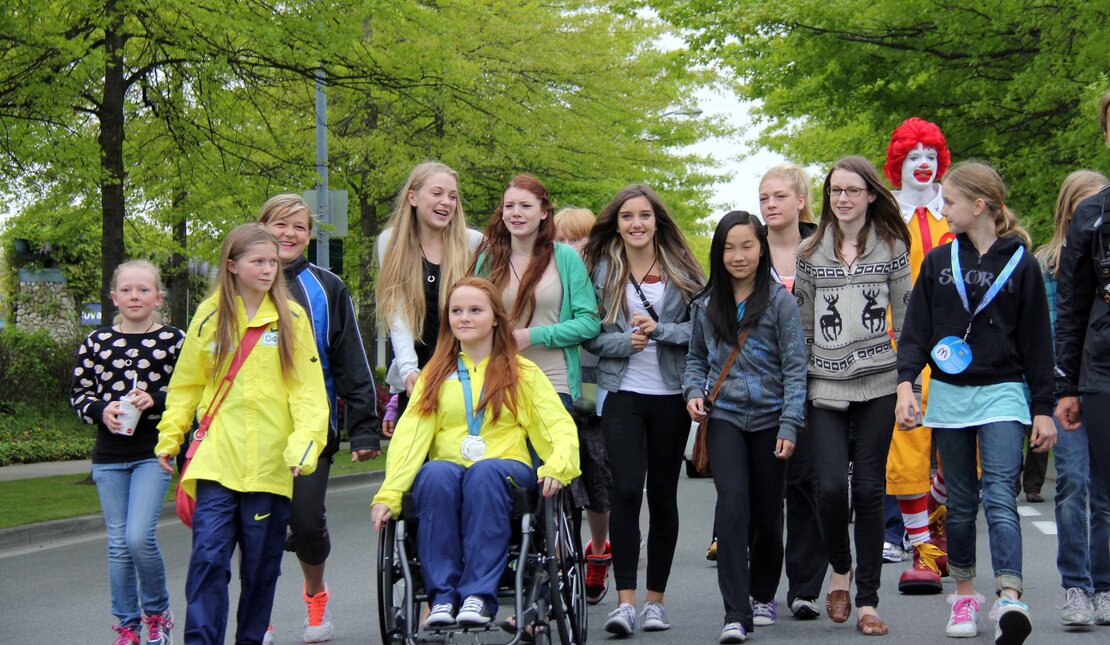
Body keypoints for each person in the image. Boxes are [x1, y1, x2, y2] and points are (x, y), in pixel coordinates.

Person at [896, 161, 1055, 642]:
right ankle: (964, 595)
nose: (942, 209)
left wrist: (1043, 407)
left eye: (949, 202)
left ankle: (1010, 596)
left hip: (1004, 392)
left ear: (979, 205)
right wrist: (906, 385)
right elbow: (916, 329)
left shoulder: (1021, 262)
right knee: (961, 503)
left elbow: (1037, 342)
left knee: (1000, 496)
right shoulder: (941, 262)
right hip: (948, 393)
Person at [370, 277, 581, 627]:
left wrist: (559, 465)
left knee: (484, 473)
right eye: (456, 311)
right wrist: (389, 494)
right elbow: (410, 438)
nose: (463, 318)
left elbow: (554, 425)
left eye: (475, 310)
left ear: (496, 317)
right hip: (449, 472)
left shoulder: (522, 372)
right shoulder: (434, 376)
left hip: (506, 472)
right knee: (433, 473)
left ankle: (477, 597)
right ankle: (441, 599)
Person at [156, 224, 329, 645]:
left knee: (261, 568)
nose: (269, 269)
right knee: (209, 562)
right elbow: (187, 383)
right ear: (232, 266)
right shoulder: (210, 315)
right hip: (217, 461)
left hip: (272, 465)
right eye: (258, 262)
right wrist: (171, 434)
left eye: (273, 262)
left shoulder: (292, 317)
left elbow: (309, 393)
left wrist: (303, 446)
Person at [794, 155, 912, 636]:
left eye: (852, 190)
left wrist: (911, 388)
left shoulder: (892, 247)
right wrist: (794, 393)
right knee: (826, 488)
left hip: (880, 383)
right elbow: (801, 326)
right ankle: (838, 569)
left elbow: (906, 322)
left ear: (869, 195)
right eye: (835, 191)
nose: (842, 199)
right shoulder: (809, 252)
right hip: (822, 385)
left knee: (867, 490)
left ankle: (867, 600)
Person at [256, 194, 382, 643]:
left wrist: (363, 427)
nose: (289, 234)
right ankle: (259, 616)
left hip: (313, 430)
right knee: (259, 525)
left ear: (309, 236)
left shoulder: (327, 287)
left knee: (305, 523)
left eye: (300, 227)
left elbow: (351, 360)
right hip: (251, 432)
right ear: (262, 227)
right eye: (279, 224)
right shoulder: (237, 286)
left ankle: (315, 595)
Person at [582, 183, 705, 636]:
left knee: (663, 496)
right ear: (616, 224)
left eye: (645, 216)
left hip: (671, 395)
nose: (636, 224)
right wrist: (623, 342)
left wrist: (660, 331)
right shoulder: (601, 271)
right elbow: (589, 334)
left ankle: (656, 600)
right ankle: (626, 602)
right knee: (627, 492)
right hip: (622, 393)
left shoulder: (683, 269)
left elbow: (703, 329)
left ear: (658, 221)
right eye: (627, 216)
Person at [684, 211, 807, 643]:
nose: (738, 256)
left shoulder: (779, 301)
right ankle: (735, 613)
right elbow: (696, 359)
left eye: (747, 246)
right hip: (726, 419)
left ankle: (762, 592)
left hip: (773, 420)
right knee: (733, 508)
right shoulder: (705, 303)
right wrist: (693, 392)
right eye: (729, 247)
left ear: (761, 248)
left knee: (769, 516)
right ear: (718, 252)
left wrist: (790, 423)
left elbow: (795, 368)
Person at [71, 260, 184, 645]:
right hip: (109, 457)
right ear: (114, 296)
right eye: (127, 290)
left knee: (138, 537)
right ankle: (127, 626)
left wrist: (153, 398)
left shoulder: (174, 341)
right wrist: (101, 409)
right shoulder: (97, 342)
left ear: (158, 297)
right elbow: (79, 395)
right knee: (118, 545)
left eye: (143, 290)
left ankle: (157, 614)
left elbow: (192, 393)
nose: (135, 296)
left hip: (153, 453)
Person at [882, 117, 955, 594]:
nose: (924, 164)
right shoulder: (885, 219)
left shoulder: (961, 208)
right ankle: (921, 545)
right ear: (898, 164)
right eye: (914, 157)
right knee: (908, 447)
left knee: (958, 450)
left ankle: (939, 521)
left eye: (930, 155)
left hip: (960, 351)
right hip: (901, 346)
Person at [1036, 170, 1110, 627]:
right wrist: (1054, 390)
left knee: (1102, 492)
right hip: (1072, 383)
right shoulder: (1047, 262)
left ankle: (1102, 586)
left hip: (1096, 375)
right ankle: (1076, 587)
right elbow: (1053, 326)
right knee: (1072, 483)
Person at [759, 164, 828, 620]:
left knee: (809, 484)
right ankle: (760, 586)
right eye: (764, 198)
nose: (770, 205)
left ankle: (804, 588)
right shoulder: (746, 246)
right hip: (760, 385)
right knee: (763, 488)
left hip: (818, 381)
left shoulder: (823, 248)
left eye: (779, 196)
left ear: (801, 201)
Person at [1056, 92, 1110, 631]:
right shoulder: (1089, 220)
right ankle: (1085, 587)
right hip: (1092, 373)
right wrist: (1061, 387)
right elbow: (1068, 310)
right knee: (1084, 484)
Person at [376, 161, 483, 432]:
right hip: (416, 377)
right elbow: (398, 316)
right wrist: (409, 371)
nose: (446, 202)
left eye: (453, 196)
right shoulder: (390, 242)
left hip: (465, 377)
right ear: (413, 197)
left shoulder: (473, 243)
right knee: (413, 467)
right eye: (437, 193)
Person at [553, 205, 615, 605]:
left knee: (598, 482)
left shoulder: (607, 280)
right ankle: (558, 562)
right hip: (554, 392)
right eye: (563, 239)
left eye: (580, 239)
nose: (572, 246)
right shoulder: (548, 279)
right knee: (559, 484)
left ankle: (599, 549)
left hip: (594, 397)